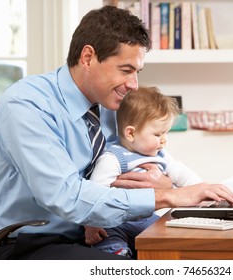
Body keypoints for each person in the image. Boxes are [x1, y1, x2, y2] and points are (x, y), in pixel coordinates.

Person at [0, 5, 233, 260]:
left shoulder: (115, 105)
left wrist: (166, 184)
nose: (134, 85)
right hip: (35, 242)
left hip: (108, 230)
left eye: (137, 72)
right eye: (125, 70)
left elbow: (153, 160)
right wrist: (166, 196)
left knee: (202, 254)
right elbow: (66, 197)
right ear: (87, 58)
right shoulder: (27, 104)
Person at [85, 86, 204, 258]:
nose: (164, 140)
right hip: (113, 222)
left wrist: (203, 191)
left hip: (145, 219)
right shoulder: (113, 157)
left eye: (166, 133)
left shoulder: (161, 155)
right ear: (131, 133)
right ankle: (119, 255)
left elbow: (182, 173)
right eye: (157, 134)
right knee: (109, 241)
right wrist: (91, 225)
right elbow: (95, 192)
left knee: (169, 233)